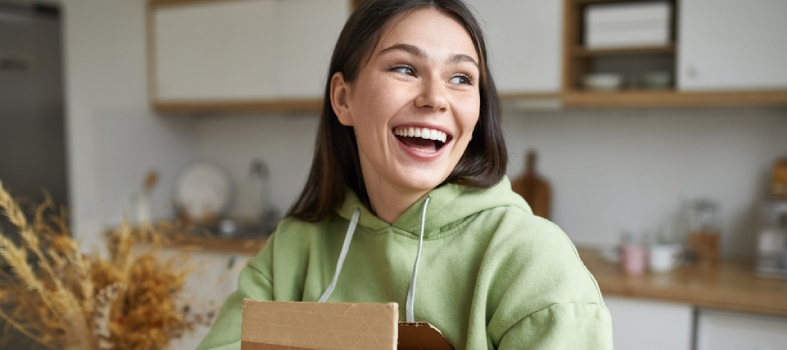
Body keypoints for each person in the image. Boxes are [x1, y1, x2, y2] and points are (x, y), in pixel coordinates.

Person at [198, 0, 612, 349]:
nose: (435, 98)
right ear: (344, 99)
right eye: (405, 69)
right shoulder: (294, 248)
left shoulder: (532, 260)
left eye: (461, 78)